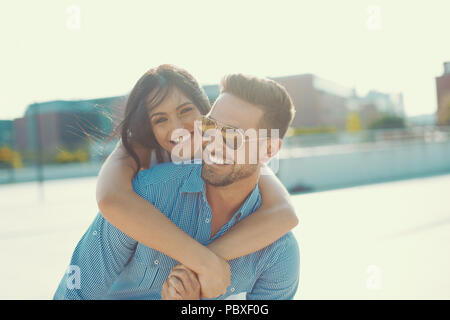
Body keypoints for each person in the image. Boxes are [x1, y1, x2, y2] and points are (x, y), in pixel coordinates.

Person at [54, 66, 299, 299]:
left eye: (231, 135)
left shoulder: (278, 251)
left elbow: (284, 212)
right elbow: (111, 200)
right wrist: (203, 263)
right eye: (210, 126)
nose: (213, 142)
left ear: (268, 149)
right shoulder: (143, 190)